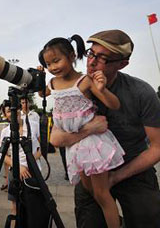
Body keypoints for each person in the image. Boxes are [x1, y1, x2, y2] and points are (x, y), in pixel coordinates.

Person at [49, 30, 160, 228]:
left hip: (133, 170)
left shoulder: (140, 92)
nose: (92, 62)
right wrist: (89, 129)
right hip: (91, 169)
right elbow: (55, 137)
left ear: (122, 64)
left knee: (146, 219)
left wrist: (116, 176)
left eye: (103, 58)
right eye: (91, 53)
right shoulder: (75, 88)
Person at [38, 35, 125, 228]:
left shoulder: (84, 81)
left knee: (102, 194)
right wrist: (39, 78)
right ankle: (114, 220)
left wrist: (102, 89)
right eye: (48, 64)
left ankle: (115, 223)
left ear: (71, 56)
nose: (53, 67)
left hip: (91, 142)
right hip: (73, 144)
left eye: (56, 60)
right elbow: (41, 93)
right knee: (88, 188)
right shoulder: (52, 83)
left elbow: (115, 104)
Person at [0, 100, 46, 227]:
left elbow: (42, 148)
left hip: (34, 171)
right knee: (15, 208)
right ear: (5, 114)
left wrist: (30, 163)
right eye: (9, 111)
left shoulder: (33, 125)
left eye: (15, 109)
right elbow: (3, 157)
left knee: (35, 207)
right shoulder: (5, 132)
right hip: (15, 173)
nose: (13, 113)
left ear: (20, 110)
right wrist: (18, 166)